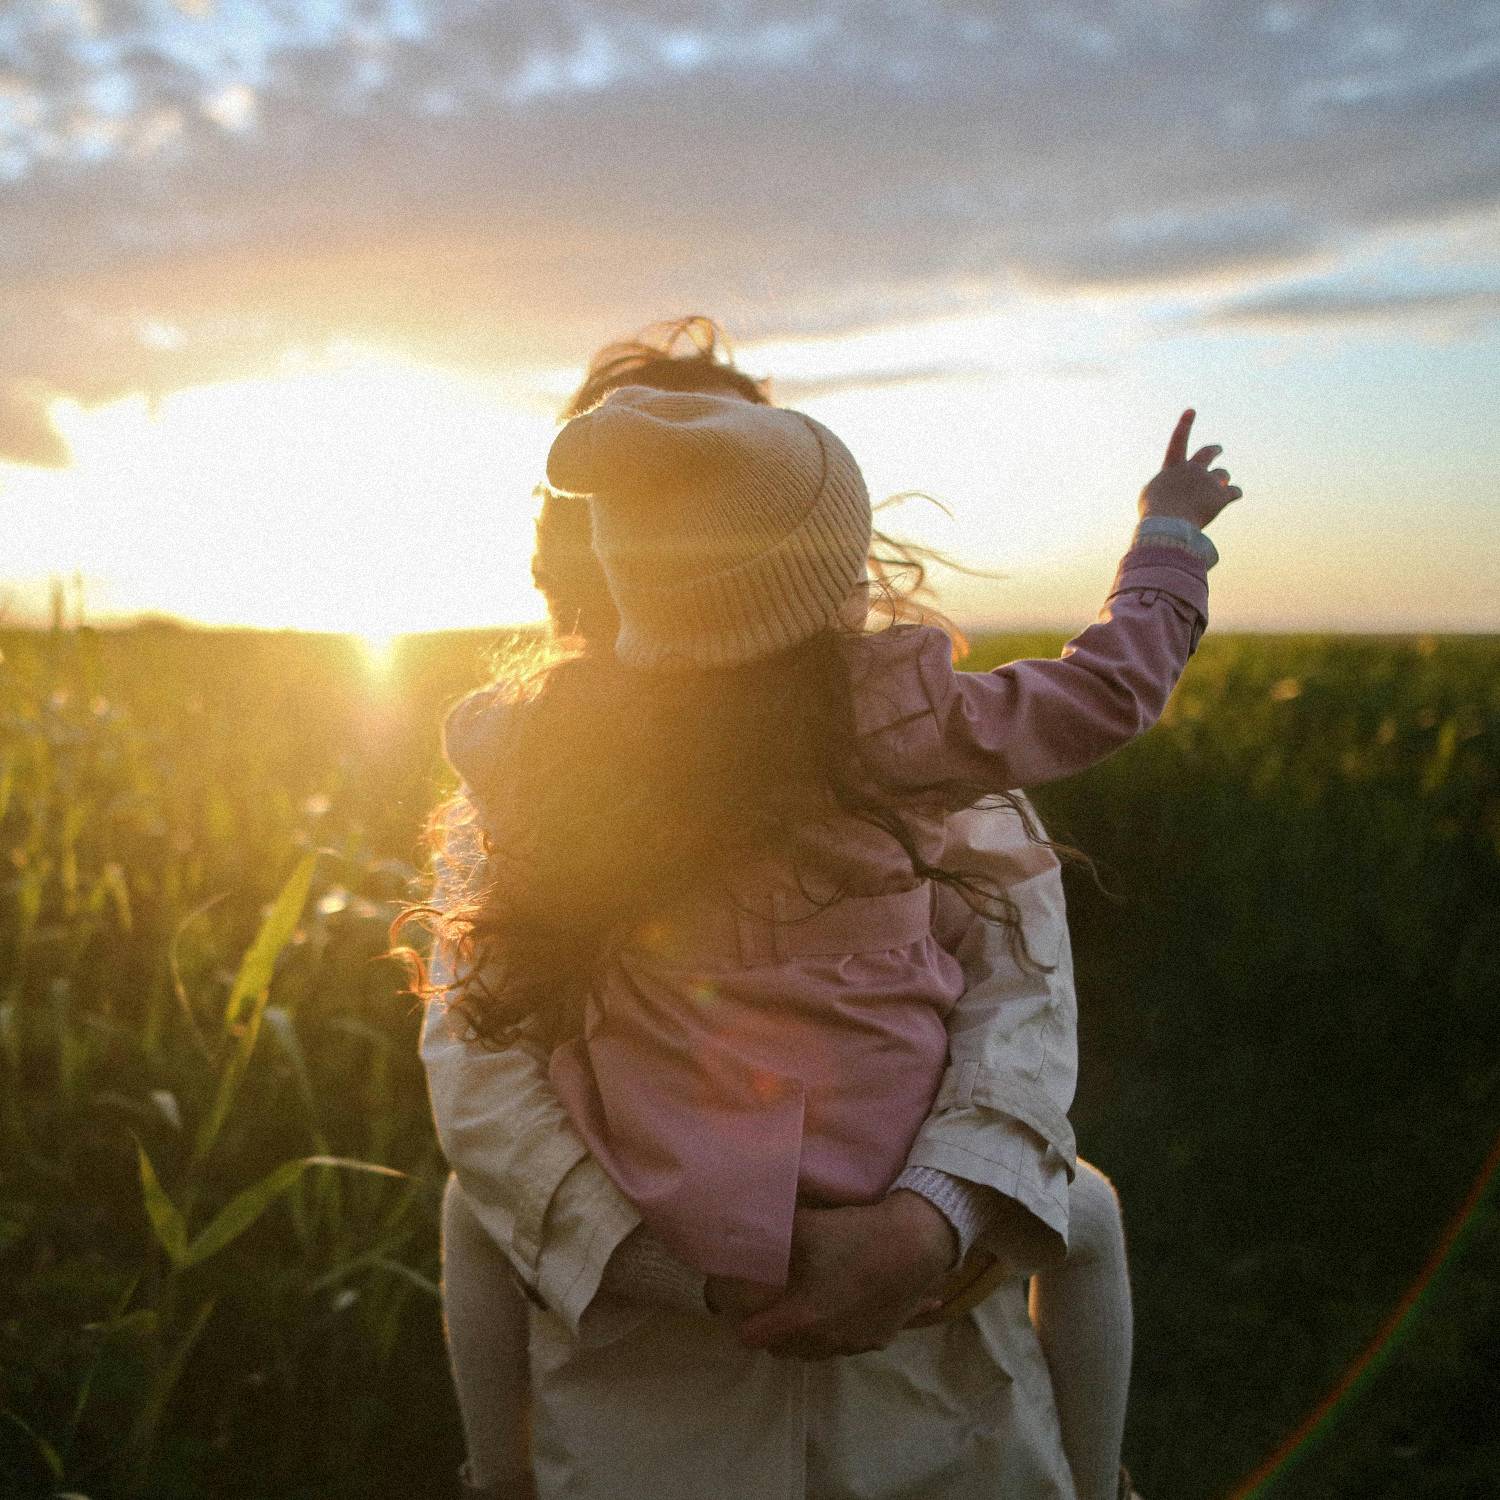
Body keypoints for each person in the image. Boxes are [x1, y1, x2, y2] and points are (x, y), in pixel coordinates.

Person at [413, 322, 1237, 1499]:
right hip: (657, 1380)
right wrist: (1167, 543)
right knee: (1086, 1210)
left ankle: (490, 1481)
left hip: (913, 1372)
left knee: (469, 1217)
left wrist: (922, 1228)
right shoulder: (914, 733)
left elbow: (1020, 1003)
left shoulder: (542, 759)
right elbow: (481, 1073)